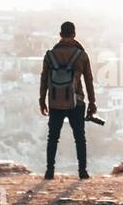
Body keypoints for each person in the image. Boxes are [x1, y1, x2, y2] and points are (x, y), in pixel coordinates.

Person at [39, 21, 97, 180]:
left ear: (60, 34)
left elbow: (44, 79)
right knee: (79, 137)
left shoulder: (50, 56)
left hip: (55, 101)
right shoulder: (81, 55)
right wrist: (92, 103)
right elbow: (89, 81)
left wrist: (42, 100)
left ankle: (49, 171)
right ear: (74, 34)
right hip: (76, 101)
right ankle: (82, 171)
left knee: (53, 137)